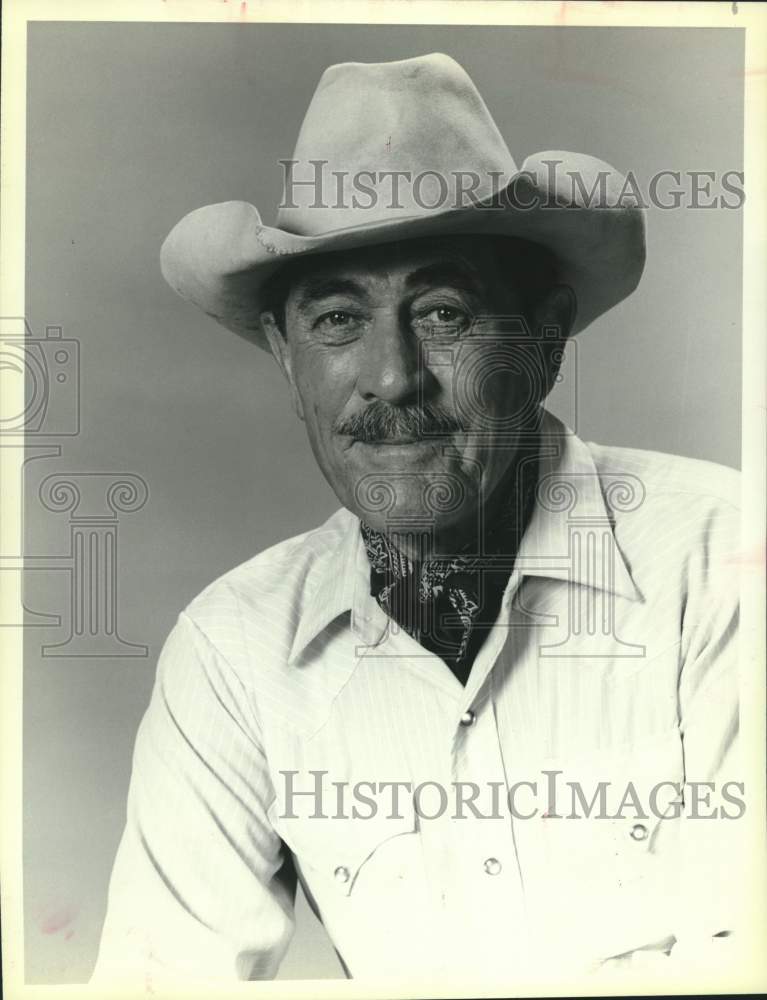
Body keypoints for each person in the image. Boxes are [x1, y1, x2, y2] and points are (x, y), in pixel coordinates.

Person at [93, 53, 742, 987]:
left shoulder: (723, 560)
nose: (392, 380)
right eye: (336, 322)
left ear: (545, 337)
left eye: (443, 313)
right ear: (285, 353)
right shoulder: (231, 654)